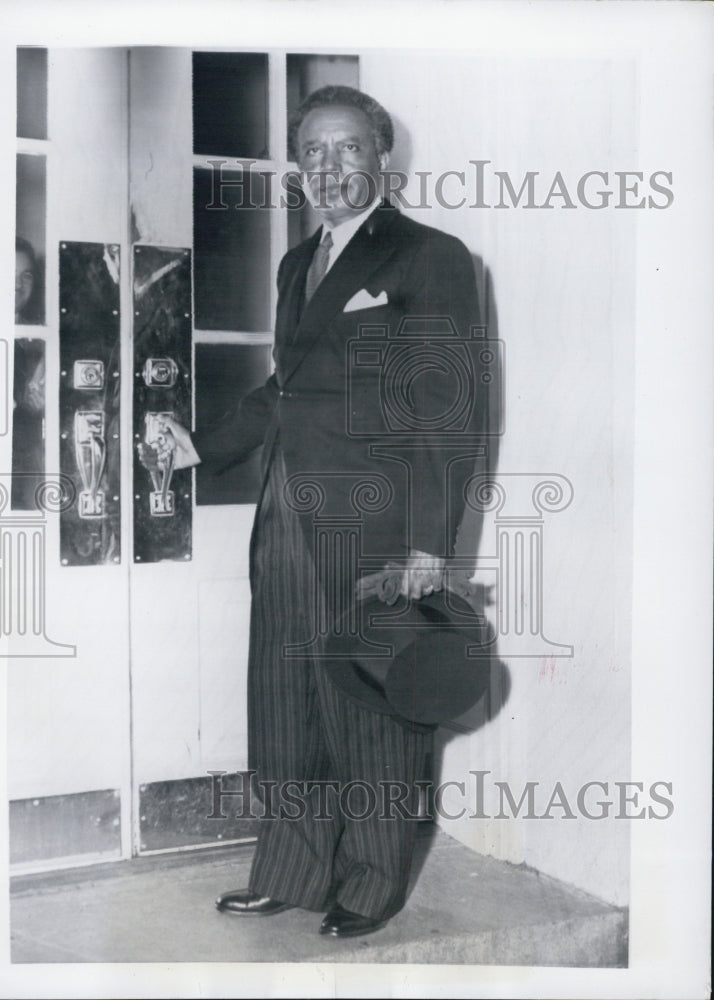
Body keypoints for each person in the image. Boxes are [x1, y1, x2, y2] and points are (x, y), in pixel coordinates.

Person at [141, 86, 483, 938]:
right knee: (285, 697)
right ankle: (292, 869)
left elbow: (449, 410)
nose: (330, 167)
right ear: (298, 168)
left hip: (375, 530)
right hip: (287, 518)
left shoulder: (429, 257)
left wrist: (431, 547)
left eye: (349, 149)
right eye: (314, 153)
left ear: (382, 157)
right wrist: (202, 447)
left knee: (369, 706)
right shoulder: (301, 265)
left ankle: (371, 879)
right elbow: (282, 393)